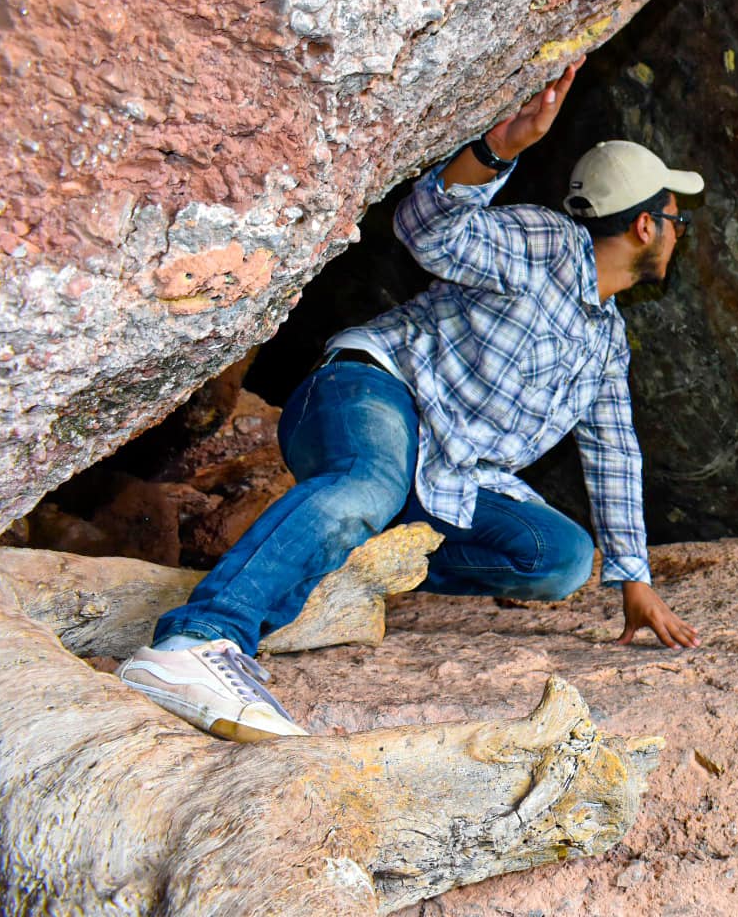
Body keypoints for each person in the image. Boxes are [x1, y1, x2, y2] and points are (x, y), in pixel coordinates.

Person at [117, 59, 703, 742]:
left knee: (559, 558)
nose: (679, 230)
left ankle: (344, 568)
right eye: (675, 217)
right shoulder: (544, 245)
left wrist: (633, 578)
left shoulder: (606, 339)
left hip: (445, 473)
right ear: (642, 227)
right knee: (368, 483)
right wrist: (497, 151)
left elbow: (614, 454)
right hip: (371, 392)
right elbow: (431, 230)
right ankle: (196, 641)